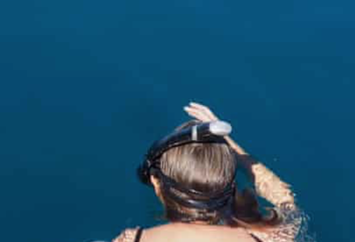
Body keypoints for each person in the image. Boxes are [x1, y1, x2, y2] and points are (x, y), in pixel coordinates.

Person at [114, 102, 304, 242]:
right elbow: (287, 202)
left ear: (156, 182)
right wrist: (230, 145)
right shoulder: (275, 237)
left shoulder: (131, 239)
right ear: (231, 184)